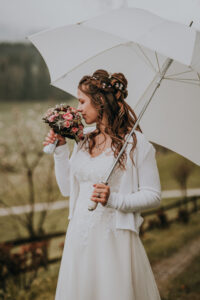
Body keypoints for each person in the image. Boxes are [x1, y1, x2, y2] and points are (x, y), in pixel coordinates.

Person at [43, 69, 162, 300]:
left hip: (113, 240)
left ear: (101, 102)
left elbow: (153, 195)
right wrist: (59, 149)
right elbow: (67, 189)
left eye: (82, 101)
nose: (78, 108)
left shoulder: (135, 143)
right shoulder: (83, 139)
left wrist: (114, 199)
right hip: (79, 234)